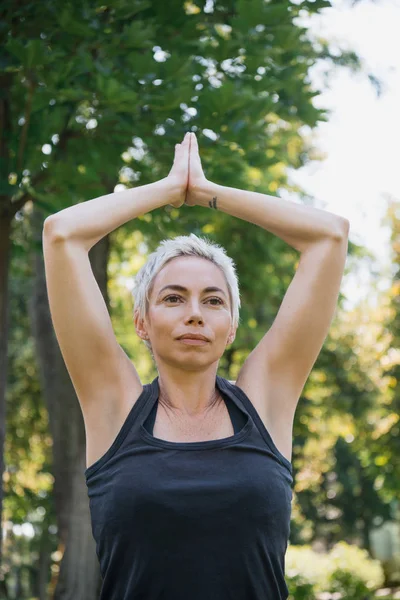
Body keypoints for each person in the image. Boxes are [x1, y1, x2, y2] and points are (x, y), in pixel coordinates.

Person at [43, 132, 349, 599]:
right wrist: (169, 189)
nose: (194, 312)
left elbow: (329, 236)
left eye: (213, 300)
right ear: (142, 323)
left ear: (230, 329)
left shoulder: (264, 403)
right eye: (173, 297)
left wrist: (205, 192)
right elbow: (62, 235)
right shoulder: (115, 407)